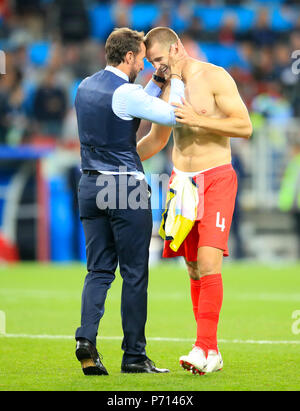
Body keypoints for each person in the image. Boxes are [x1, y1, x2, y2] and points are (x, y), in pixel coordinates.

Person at [137, 27, 252, 375]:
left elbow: (244, 126)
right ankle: (210, 351)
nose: (156, 68)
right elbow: (157, 139)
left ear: (176, 48)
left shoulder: (215, 76)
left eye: (158, 59)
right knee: (191, 267)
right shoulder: (166, 86)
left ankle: (202, 347)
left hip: (215, 177)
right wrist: (119, 160)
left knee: (208, 261)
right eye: (150, 63)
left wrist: (200, 119)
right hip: (180, 183)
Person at [74, 27, 186, 376]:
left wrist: (155, 81)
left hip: (90, 184)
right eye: (141, 57)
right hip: (125, 187)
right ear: (128, 58)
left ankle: (86, 341)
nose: (143, 63)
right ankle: (134, 356)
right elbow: (172, 114)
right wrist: (177, 78)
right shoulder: (126, 92)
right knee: (135, 273)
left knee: (98, 270)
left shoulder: (84, 86)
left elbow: (129, 108)